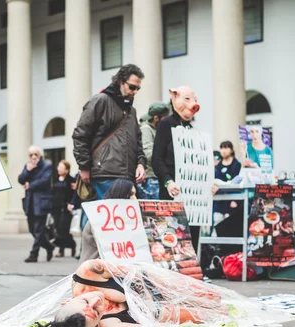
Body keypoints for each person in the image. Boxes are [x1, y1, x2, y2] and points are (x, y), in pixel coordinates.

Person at [35, 259, 224, 327]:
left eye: (85, 301)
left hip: (153, 282)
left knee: (212, 296)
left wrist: (185, 291)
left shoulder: (89, 272)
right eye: (97, 312)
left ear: (69, 301)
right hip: (157, 310)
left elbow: (138, 272)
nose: (97, 302)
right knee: (216, 313)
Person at [152, 86, 215, 251]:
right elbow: (157, 159)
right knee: (172, 234)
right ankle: (173, 273)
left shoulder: (195, 129)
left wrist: (209, 183)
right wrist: (168, 181)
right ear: (175, 99)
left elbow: (201, 161)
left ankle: (192, 270)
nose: (193, 104)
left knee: (193, 233)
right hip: (172, 190)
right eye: (187, 99)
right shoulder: (166, 124)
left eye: (194, 100)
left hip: (194, 195)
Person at [72, 64, 147, 199]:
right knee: (106, 218)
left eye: (138, 88)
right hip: (104, 174)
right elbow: (80, 135)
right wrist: (84, 167)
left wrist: (141, 164)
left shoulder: (131, 111)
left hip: (126, 176)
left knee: (117, 219)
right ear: (120, 82)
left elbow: (138, 142)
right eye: (132, 87)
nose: (135, 91)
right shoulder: (100, 100)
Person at [81, 179, 137, 262]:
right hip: (94, 270)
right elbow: (108, 249)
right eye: (131, 194)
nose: (135, 199)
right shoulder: (100, 219)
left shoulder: (125, 219)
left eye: (135, 195)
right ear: (120, 195)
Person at [19, 146, 55, 263]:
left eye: (36, 154)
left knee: (39, 230)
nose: (33, 157)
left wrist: (30, 185)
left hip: (41, 202)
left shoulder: (47, 166)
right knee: (32, 230)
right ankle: (49, 246)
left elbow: (45, 181)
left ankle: (33, 254)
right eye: (31, 155)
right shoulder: (28, 166)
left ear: (40, 155)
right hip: (30, 203)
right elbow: (20, 180)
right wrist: (27, 171)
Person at [137, 102, 170, 200]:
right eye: (165, 118)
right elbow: (148, 155)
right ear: (156, 118)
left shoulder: (158, 130)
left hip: (159, 177)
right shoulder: (146, 130)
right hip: (151, 179)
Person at [52, 160, 76, 258]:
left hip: (66, 208)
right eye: (58, 167)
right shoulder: (55, 179)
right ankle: (70, 245)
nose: (59, 169)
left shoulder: (71, 180)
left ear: (66, 170)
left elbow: (74, 194)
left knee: (64, 230)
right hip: (56, 207)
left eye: (61, 167)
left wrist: (71, 204)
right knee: (57, 229)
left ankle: (64, 249)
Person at [214, 141, 242, 224]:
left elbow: (239, 182)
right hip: (219, 202)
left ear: (231, 150)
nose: (223, 150)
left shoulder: (237, 165)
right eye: (221, 148)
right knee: (217, 223)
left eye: (226, 148)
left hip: (233, 201)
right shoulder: (218, 166)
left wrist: (235, 200)